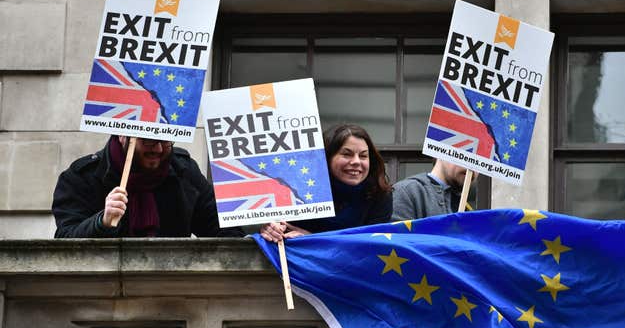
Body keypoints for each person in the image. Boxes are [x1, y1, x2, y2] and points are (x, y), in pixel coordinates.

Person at [52, 135, 243, 238]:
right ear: (122, 135)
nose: (158, 149)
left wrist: (262, 235)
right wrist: (101, 223)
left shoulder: (183, 171)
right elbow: (65, 239)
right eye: (149, 141)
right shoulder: (82, 176)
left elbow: (224, 232)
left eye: (165, 141)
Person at [260, 124, 392, 242]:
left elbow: (372, 246)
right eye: (347, 154)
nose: (356, 161)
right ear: (326, 158)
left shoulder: (380, 194)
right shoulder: (296, 190)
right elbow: (282, 228)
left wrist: (313, 238)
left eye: (363, 156)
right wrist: (272, 229)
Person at [392, 158, 477, 221]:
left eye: (480, 160)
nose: (473, 165)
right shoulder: (407, 193)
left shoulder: (469, 208)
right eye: (465, 152)